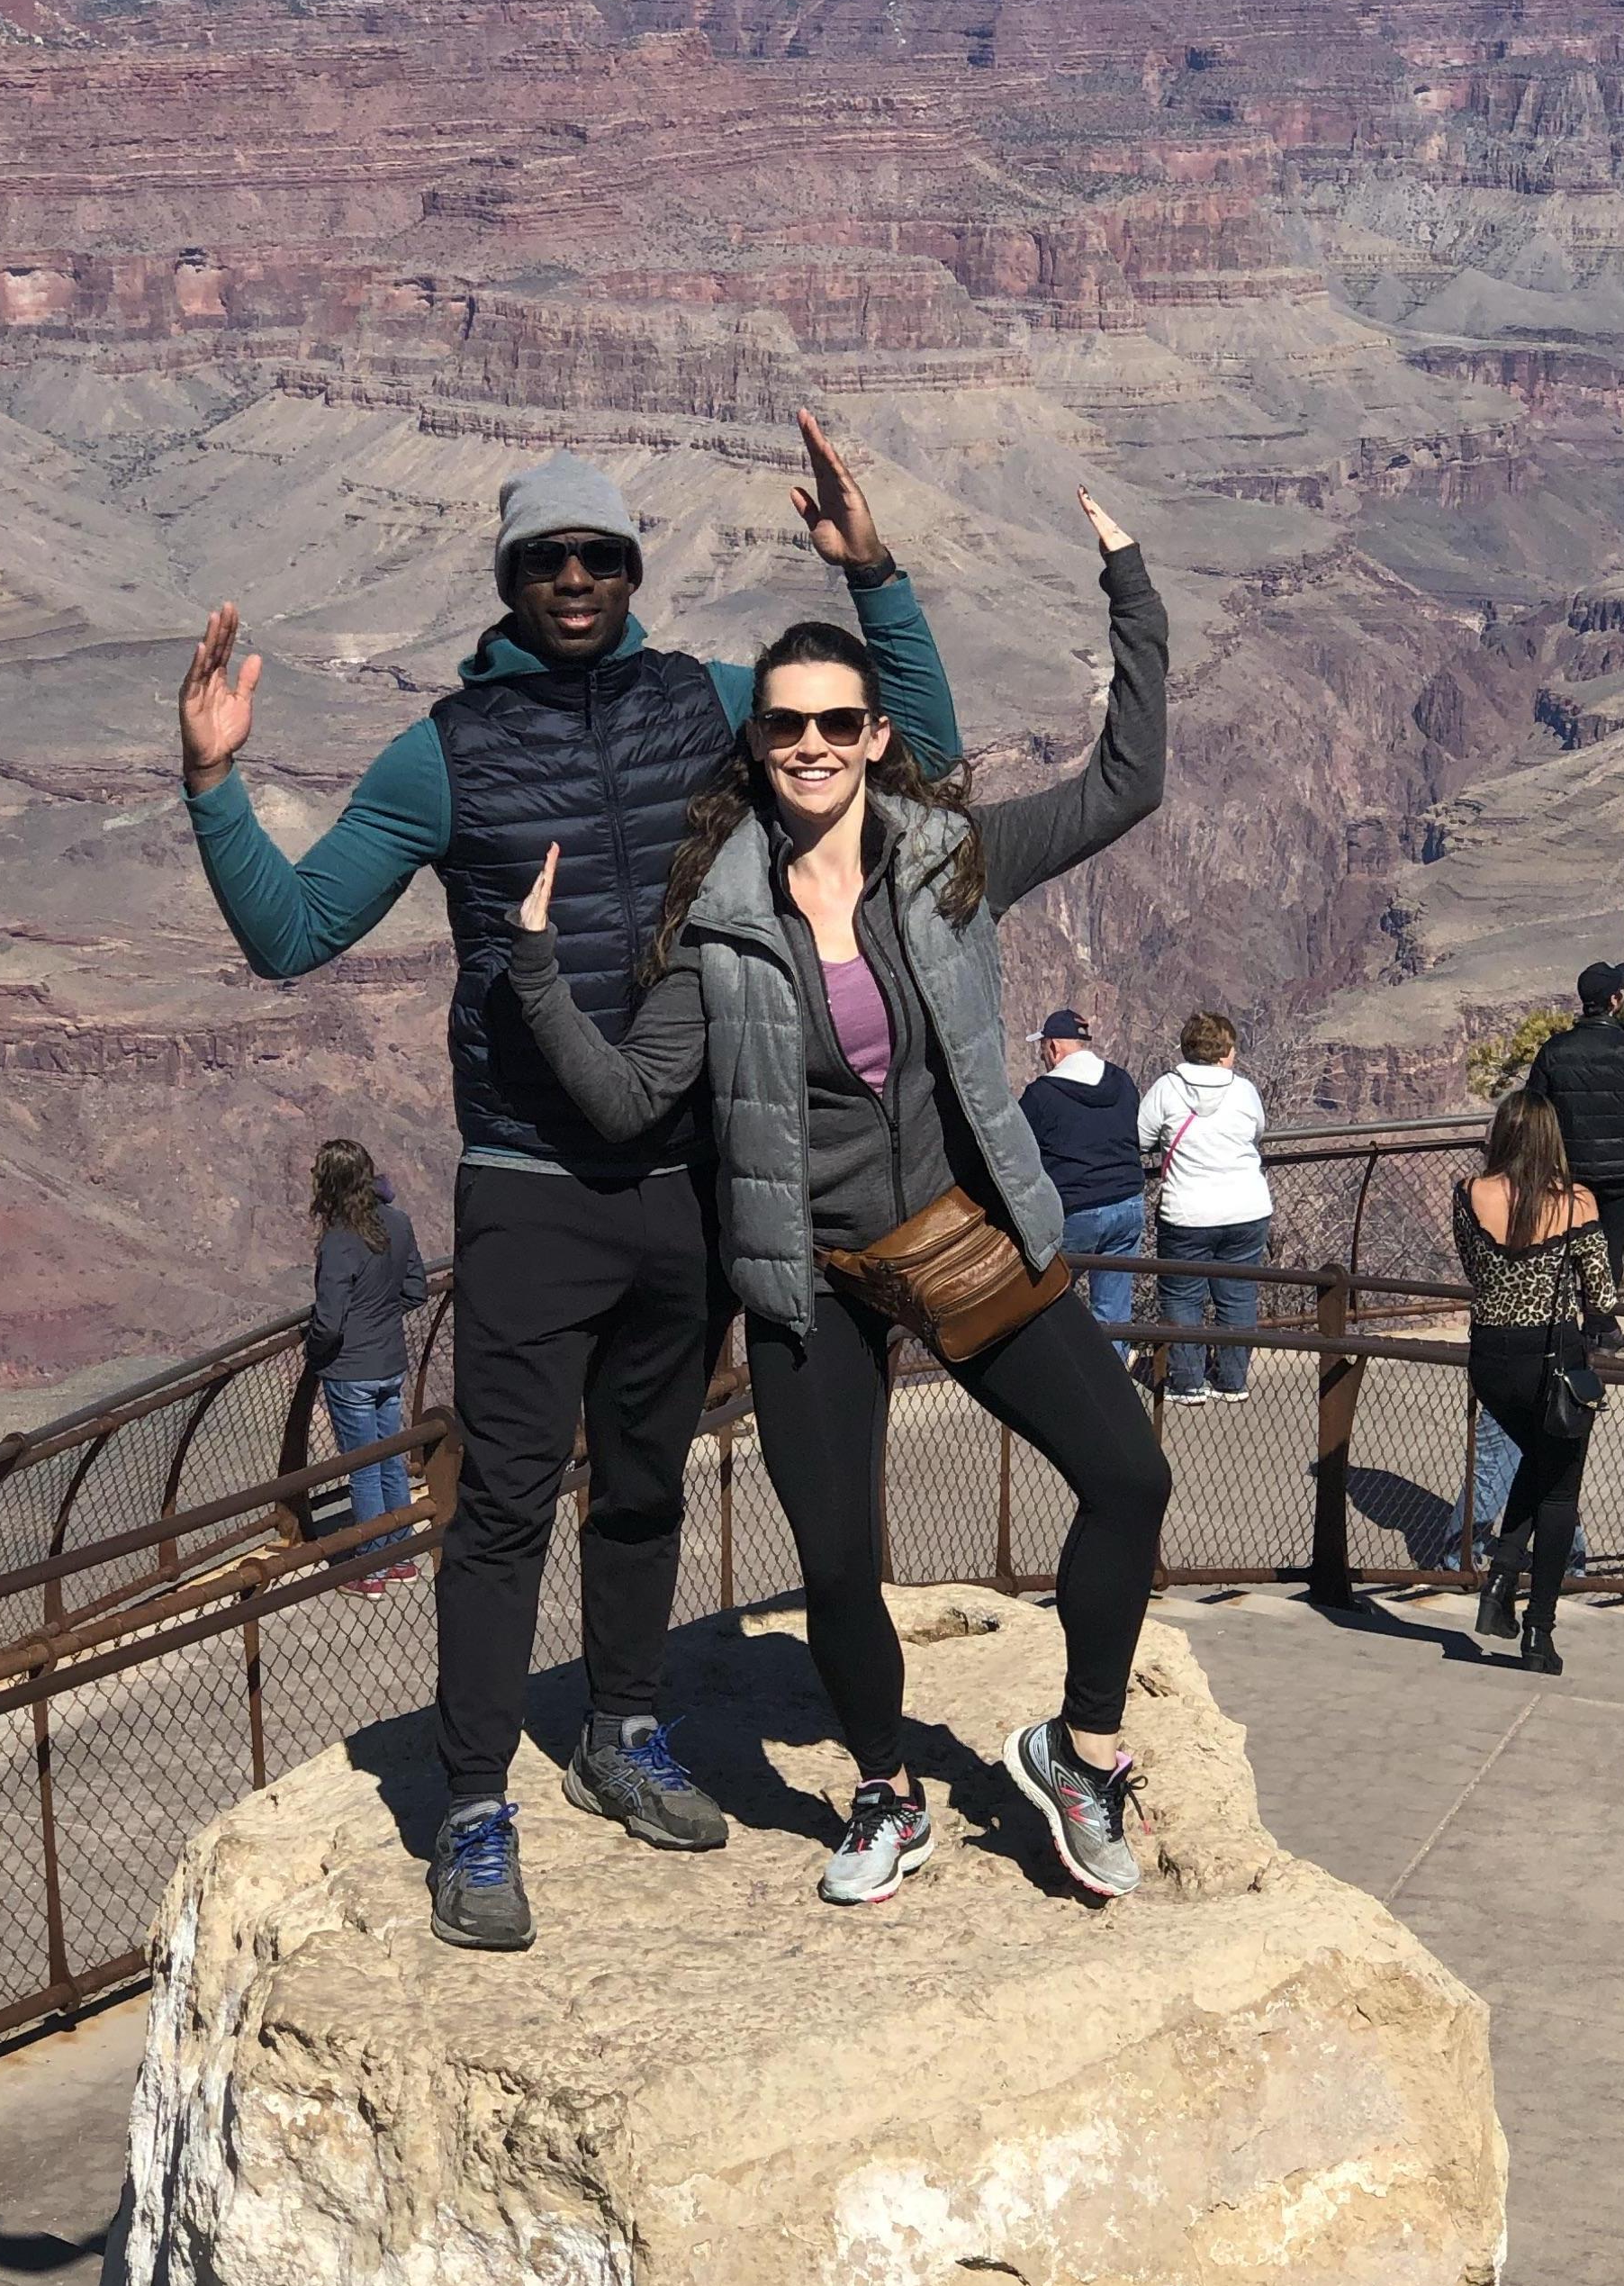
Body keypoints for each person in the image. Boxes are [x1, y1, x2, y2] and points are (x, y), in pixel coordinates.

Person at [176, 415, 963, 1951]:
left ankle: (622, 1726)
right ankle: (474, 1807)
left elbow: (905, 744)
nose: (579, 578)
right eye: (550, 559)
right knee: (503, 1511)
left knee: (652, 1481)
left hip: (687, 1173)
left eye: (602, 555)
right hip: (529, 1182)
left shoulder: (711, 709)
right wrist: (213, 784)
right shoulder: (442, 755)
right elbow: (288, 934)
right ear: (510, 577)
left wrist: (876, 578)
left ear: (632, 570)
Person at [506, 492, 1175, 1910]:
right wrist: (533, 976)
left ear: (876, 736)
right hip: (810, 1272)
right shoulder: (719, 923)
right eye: (783, 725)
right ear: (759, 746)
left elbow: (1127, 784)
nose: (808, 744)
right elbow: (629, 1099)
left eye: (835, 723)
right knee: (836, 1563)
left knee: (1130, 1477)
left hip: (964, 1235)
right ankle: (884, 1791)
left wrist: (1131, 591)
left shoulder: (952, 864)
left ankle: (1083, 1751)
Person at [1448, 1092, 1616, 1673]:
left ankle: (1498, 1584)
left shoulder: (1468, 1193)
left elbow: (1477, 1270)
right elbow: (1602, 1293)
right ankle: (1538, 1631)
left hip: (1490, 1358)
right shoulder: (1575, 1204)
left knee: (1535, 1464)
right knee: (1559, 1491)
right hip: (1553, 1361)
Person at [303, 1138, 430, 1592]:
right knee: (391, 1457)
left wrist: (315, 1351)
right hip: (391, 1363)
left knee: (363, 1467)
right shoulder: (397, 1222)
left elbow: (330, 1321)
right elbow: (416, 1290)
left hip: (350, 1370)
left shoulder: (339, 1239)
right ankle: (402, 1555)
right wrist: (379, 1316)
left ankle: (370, 1569)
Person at [1527, 960, 1624, 1346]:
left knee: (1564, 1245)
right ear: (1614, 1000)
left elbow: (1534, 1105)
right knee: (1611, 1245)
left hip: (1569, 1168)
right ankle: (1601, 1326)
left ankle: (1561, 1326)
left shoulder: (1554, 1050)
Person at [1141, 1012, 1274, 1404]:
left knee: (1183, 1297)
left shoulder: (1166, 1090)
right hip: (1246, 1210)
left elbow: (1141, 1136)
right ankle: (1232, 1381)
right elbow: (1257, 1132)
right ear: (1224, 1052)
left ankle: (1187, 1383)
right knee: (1237, 1295)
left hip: (1187, 1212)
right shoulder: (1244, 1091)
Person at [1021, 1010, 1146, 1333]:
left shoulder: (1041, 1095)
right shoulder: (1121, 1080)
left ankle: (1058, 1376)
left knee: (1047, 1303)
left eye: (1043, 1049)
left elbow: (1018, 1152)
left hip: (1076, 1210)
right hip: (1128, 1202)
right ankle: (1111, 1378)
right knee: (1114, 1310)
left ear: (1054, 1049)